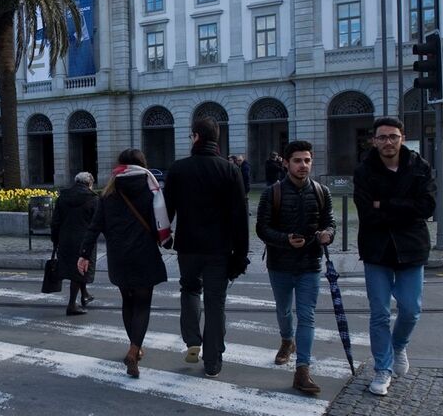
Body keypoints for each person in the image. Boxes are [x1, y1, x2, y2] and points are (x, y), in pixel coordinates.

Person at [354, 117, 435, 397]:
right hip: (376, 249)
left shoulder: (419, 166)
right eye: (382, 137)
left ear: (402, 138)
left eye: (393, 136)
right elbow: (366, 211)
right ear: (374, 141)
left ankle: (398, 345)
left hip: (412, 248)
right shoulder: (364, 171)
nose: (388, 142)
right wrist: (404, 207)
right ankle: (382, 368)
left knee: (411, 309)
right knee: (379, 313)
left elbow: (426, 206)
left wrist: (385, 204)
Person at [163, 116, 249, 378]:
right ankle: (213, 360)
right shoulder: (229, 170)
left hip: (188, 246)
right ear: (217, 139)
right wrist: (241, 254)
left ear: (196, 137)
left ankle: (192, 340)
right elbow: (240, 216)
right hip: (219, 249)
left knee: (189, 289)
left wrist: (165, 237)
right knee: (215, 303)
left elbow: (165, 209)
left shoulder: (178, 169)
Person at [78, 150, 168, 379]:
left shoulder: (109, 194)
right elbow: (161, 223)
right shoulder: (152, 190)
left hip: (118, 257)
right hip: (145, 255)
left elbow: (94, 227)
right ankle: (134, 349)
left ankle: (134, 347)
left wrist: (84, 254)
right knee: (143, 305)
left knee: (127, 303)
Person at [256, 141, 335, 395]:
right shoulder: (273, 193)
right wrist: (285, 239)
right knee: (283, 310)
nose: (303, 165)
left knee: (307, 315)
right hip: (279, 264)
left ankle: (302, 370)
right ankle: (286, 341)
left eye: (307, 160)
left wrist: (327, 234)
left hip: (310, 263)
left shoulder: (322, 191)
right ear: (287, 163)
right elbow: (262, 228)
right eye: (298, 161)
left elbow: (330, 222)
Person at [51, 172, 98, 315]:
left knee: (76, 270)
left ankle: (85, 294)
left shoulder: (63, 197)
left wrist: (55, 240)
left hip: (65, 239)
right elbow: (97, 223)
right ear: (89, 183)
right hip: (85, 240)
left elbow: (55, 221)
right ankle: (71, 305)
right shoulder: (93, 199)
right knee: (79, 270)